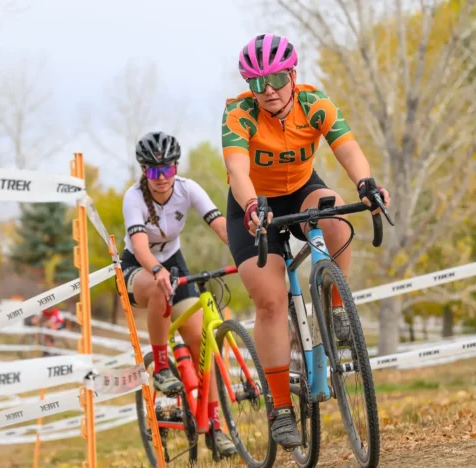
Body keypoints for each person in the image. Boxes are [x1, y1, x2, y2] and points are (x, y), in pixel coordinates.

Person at [221, 34, 392, 450]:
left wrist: (365, 183)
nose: (270, 91)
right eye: (258, 83)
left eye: (277, 78)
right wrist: (251, 206)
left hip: (300, 188)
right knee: (271, 302)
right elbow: (238, 170)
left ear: (292, 74)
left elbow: (347, 149)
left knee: (333, 217)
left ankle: (336, 312)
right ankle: (280, 408)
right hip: (252, 206)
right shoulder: (239, 113)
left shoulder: (315, 103)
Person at [120, 131, 237, 457]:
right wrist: (157, 271)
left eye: (167, 170)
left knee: (203, 340)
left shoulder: (188, 189)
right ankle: (160, 368)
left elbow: (219, 224)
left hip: (175, 262)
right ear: (144, 171)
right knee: (159, 290)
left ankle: (214, 426)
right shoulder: (134, 197)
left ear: (175, 167)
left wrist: (243, 250)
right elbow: (141, 245)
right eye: (154, 171)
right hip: (138, 266)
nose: (161, 178)